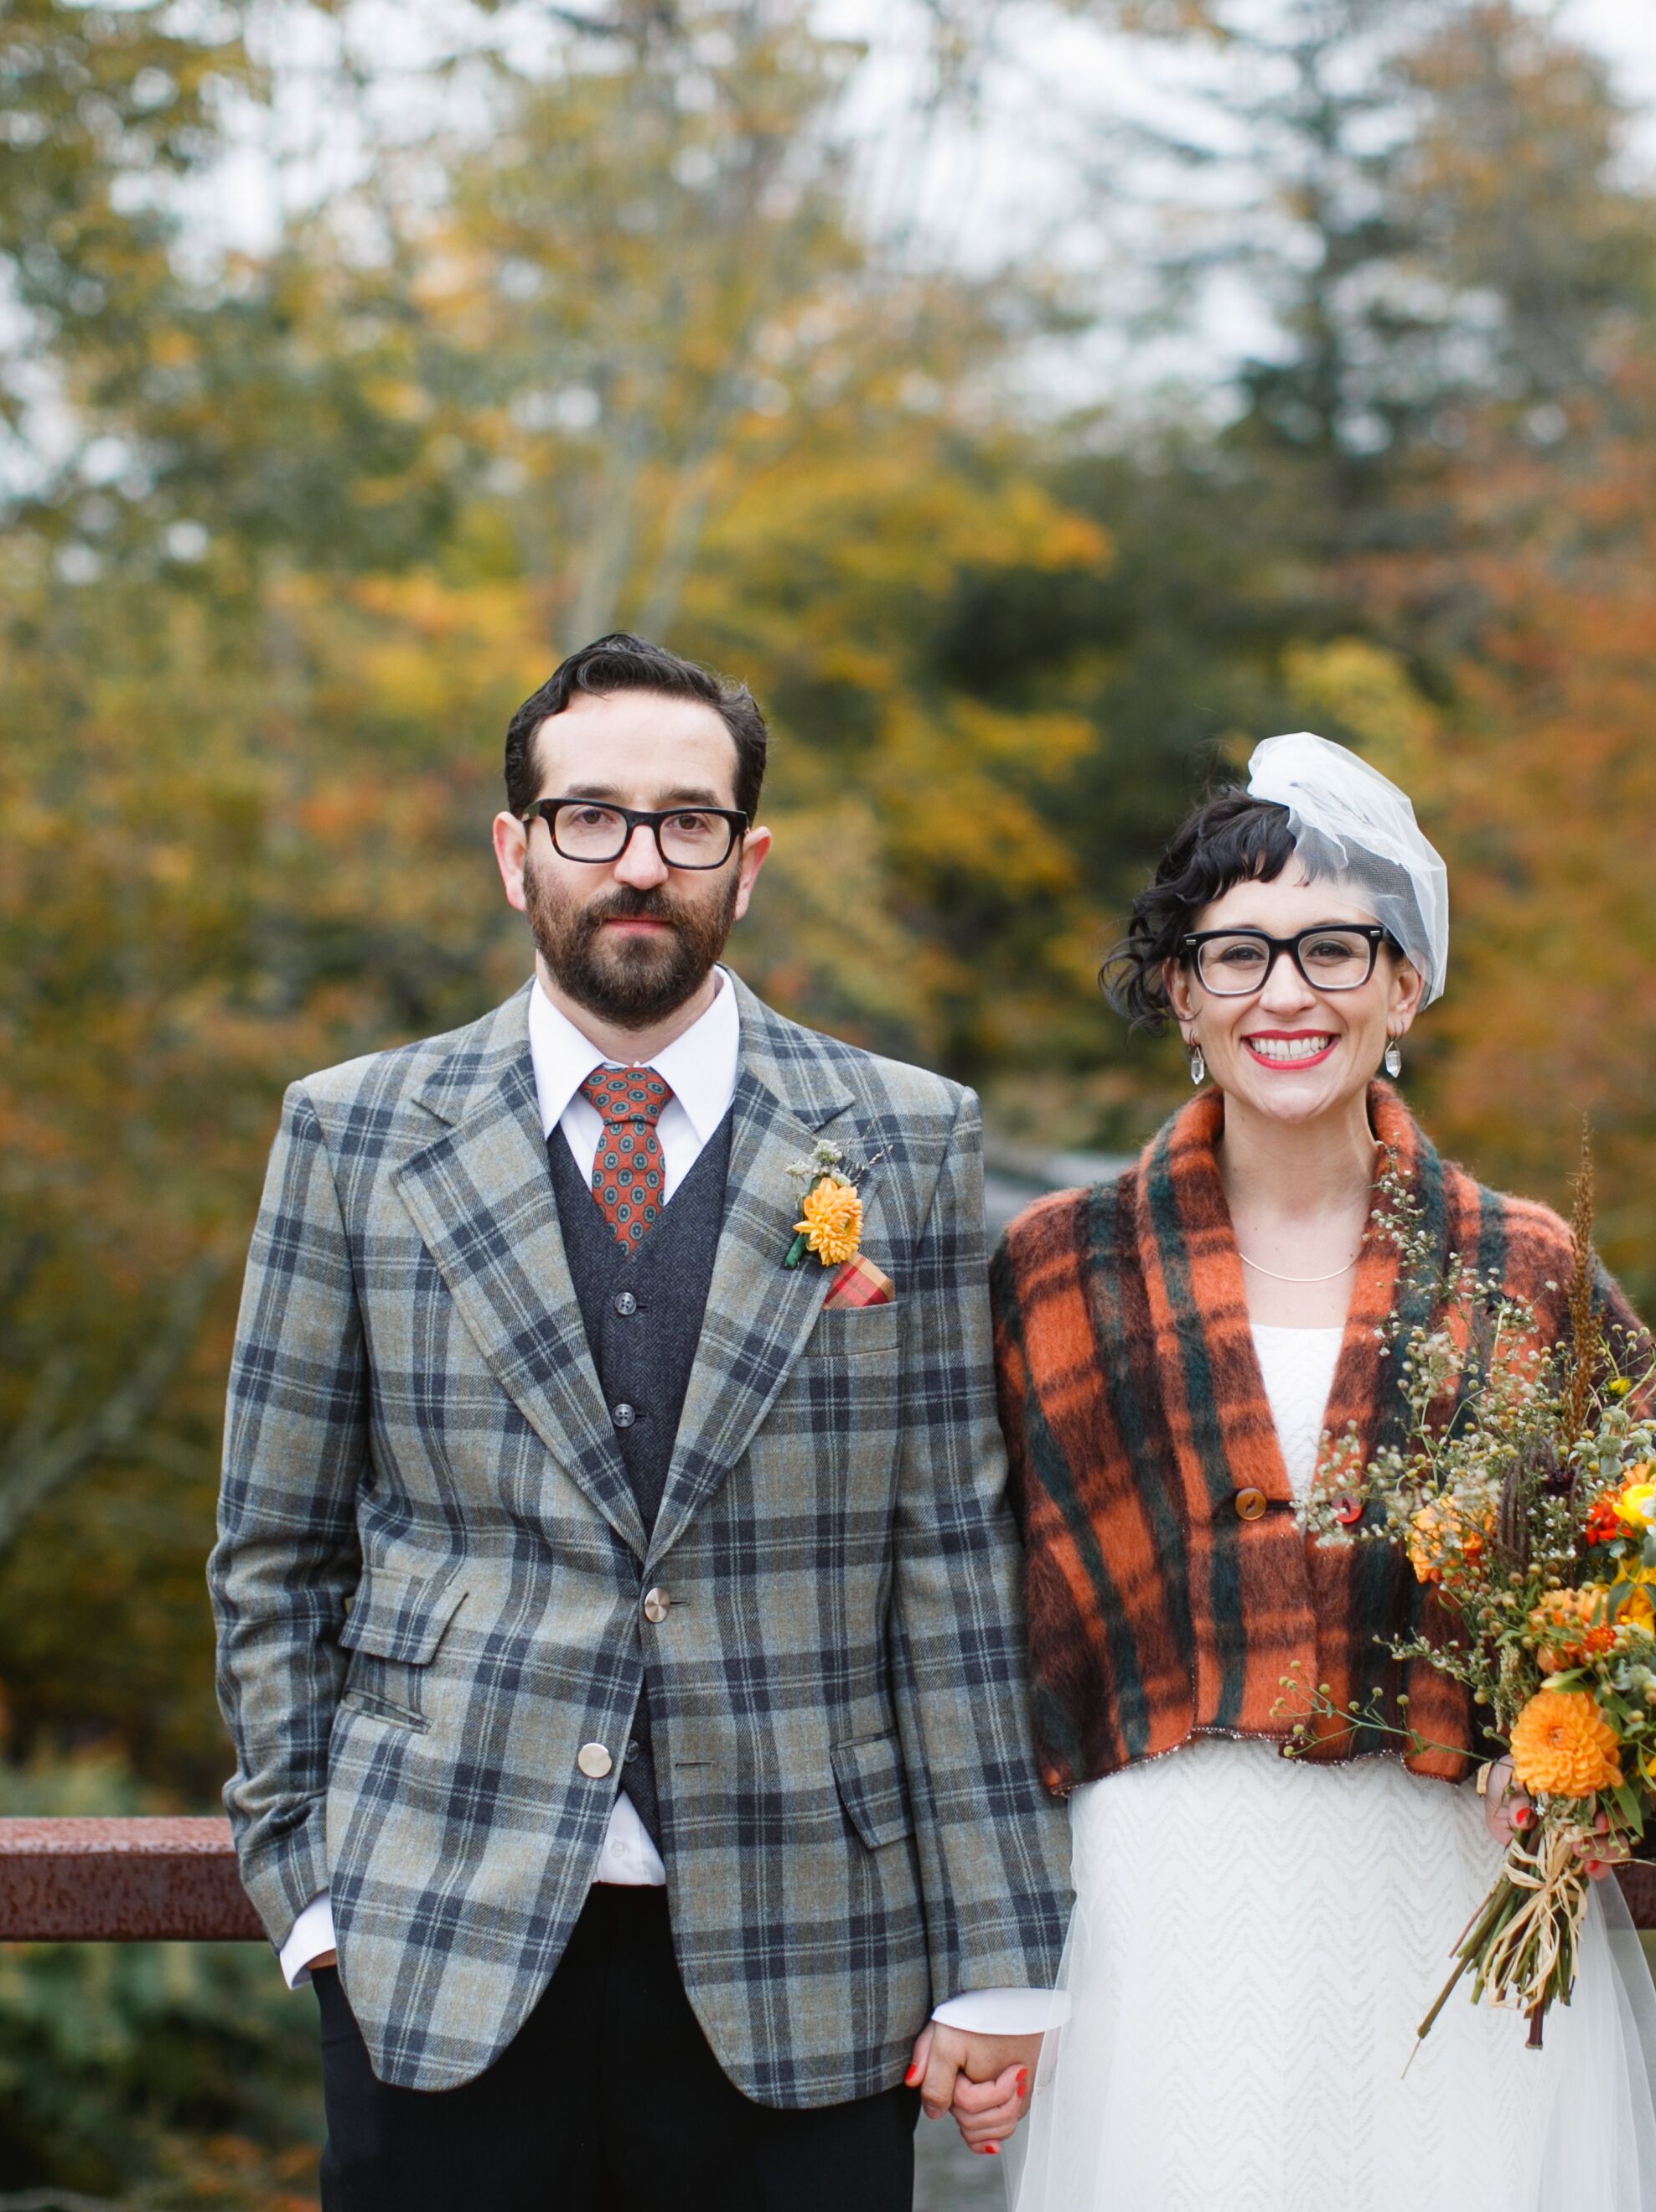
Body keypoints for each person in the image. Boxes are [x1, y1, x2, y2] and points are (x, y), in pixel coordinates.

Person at [208, 634, 1070, 2212]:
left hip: (813, 1948)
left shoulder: (906, 1134)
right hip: (435, 1940)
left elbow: (952, 1551)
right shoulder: (350, 1133)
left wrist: (1000, 1954)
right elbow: (274, 1549)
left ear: (747, 865)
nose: (636, 863)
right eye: (590, 817)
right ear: (515, 848)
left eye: (686, 824)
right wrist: (308, 1890)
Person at [991, 735, 1656, 2211]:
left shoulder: (1526, 1266)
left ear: (1405, 984)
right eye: (1236, 955)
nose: (1287, 993)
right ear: (1182, 993)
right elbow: (965, 1611)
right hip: (1167, 1898)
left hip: (1449, 1883)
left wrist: (1593, 1750)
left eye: (1332, 947)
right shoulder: (1058, 1268)